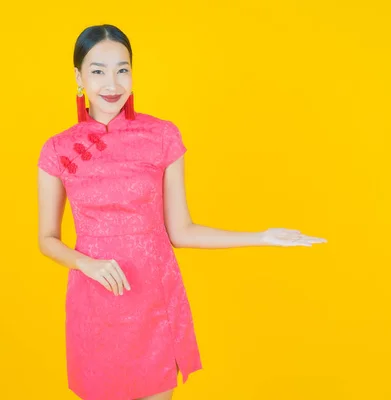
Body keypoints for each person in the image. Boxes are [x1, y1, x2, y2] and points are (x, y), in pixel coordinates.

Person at [37, 24, 327, 400]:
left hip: (153, 303)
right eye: (98, 70)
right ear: (78, 76)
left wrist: (261, 237)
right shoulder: (57, 149)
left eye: (122, 69)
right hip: (95, 304)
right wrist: (84, 263)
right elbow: (47, 239)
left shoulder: (163, 137)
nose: (112, 82)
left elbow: (182, 231)